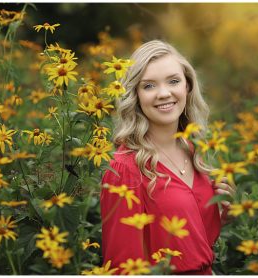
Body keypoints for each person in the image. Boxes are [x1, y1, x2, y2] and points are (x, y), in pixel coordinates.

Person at [100, 40, 233, 274]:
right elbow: (123, 268)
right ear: (136, 95)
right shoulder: (125, 169)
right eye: (149, 86)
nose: (164, 93)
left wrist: (221, 217)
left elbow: (193, 247)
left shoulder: (193, 151)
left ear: (187, 87)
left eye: (173, 81)